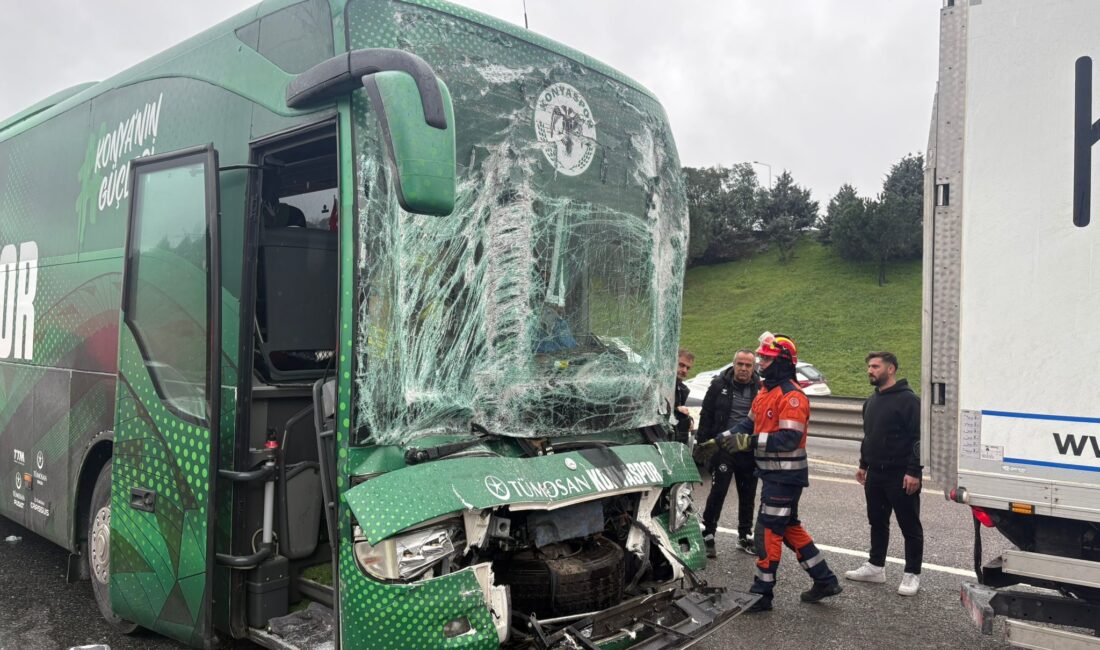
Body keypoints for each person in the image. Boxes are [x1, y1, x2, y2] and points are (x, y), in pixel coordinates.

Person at [716, 332, 841, 612]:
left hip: (786, 476)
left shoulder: (792, 396)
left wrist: (749, 443)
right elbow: (748, 425)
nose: (761, 363)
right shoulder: (765, 391)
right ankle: (825, 579)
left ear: (783, 362)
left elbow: (789, 439)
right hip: (773, 475)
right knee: (788, 528)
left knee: (767, 531)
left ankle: (762, 594)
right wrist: (720, 439)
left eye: (767, 359)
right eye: (761, 357)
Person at [845, 351, 924, 596]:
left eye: (875, 366)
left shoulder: (909, 400)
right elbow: (869, 436)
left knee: (909, 526)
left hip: (901, 475)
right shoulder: (871, 401)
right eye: (869, 366)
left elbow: (919, 439)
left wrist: (913, 471)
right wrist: (863, 464)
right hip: (875, 475)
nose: (870, 370)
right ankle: (876, 567)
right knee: (877, 522)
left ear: (891, 369)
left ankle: (912, 574)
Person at [697, 348, 759, 558]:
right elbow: (706, 414)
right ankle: (708, 534)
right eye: (740, 364)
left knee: (748, 492)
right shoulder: (718, 385)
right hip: (723, 449)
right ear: (733, 365)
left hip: (747, 448)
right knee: (719, 490)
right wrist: (703, 444)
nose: (743, 368)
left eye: (748, 365)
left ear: (753, 367)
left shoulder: (761, 388)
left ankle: (744, 536)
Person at [673, 349, 695, 443]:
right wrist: (677, 411)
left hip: (676, 442)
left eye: (688, 368)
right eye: (681, 365)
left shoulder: (683, 390)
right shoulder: (656, 385)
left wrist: (689, 420)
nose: (684, 370)